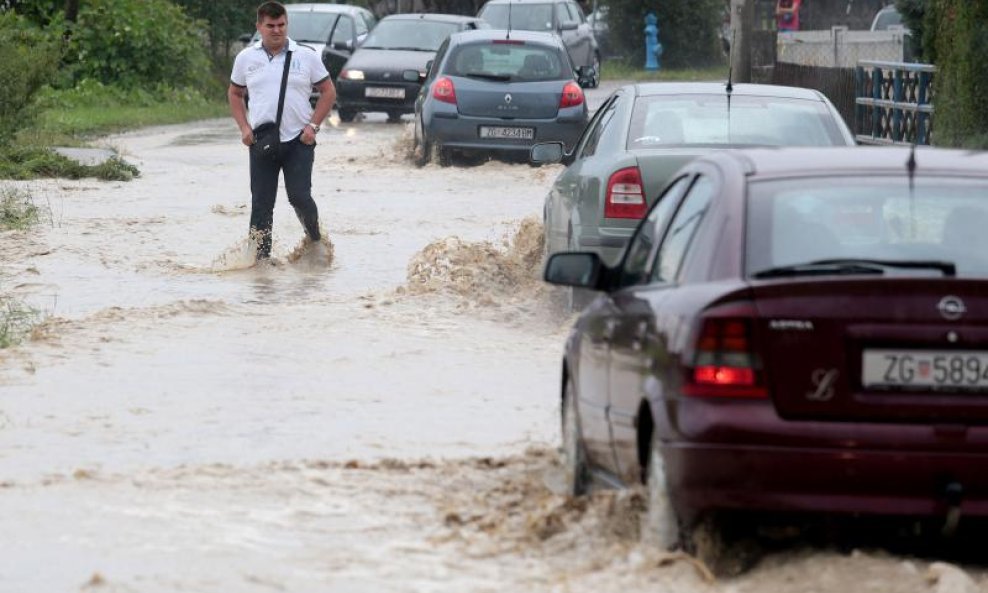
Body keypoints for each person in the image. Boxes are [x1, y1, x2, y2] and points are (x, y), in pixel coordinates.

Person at [228, 1, 336, 261]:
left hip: (299, 140)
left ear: (286, 25)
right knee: (261, 206)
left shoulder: (306, 56)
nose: (276, 30)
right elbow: (235, 93)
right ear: (259, 27)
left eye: (281, 25)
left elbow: (328, 91)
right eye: (270, 26)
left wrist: (313, 127)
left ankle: (315, 240)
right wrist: (244, 127)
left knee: (299, 197)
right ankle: (260, 263)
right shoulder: (246, 58)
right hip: (262, 140)